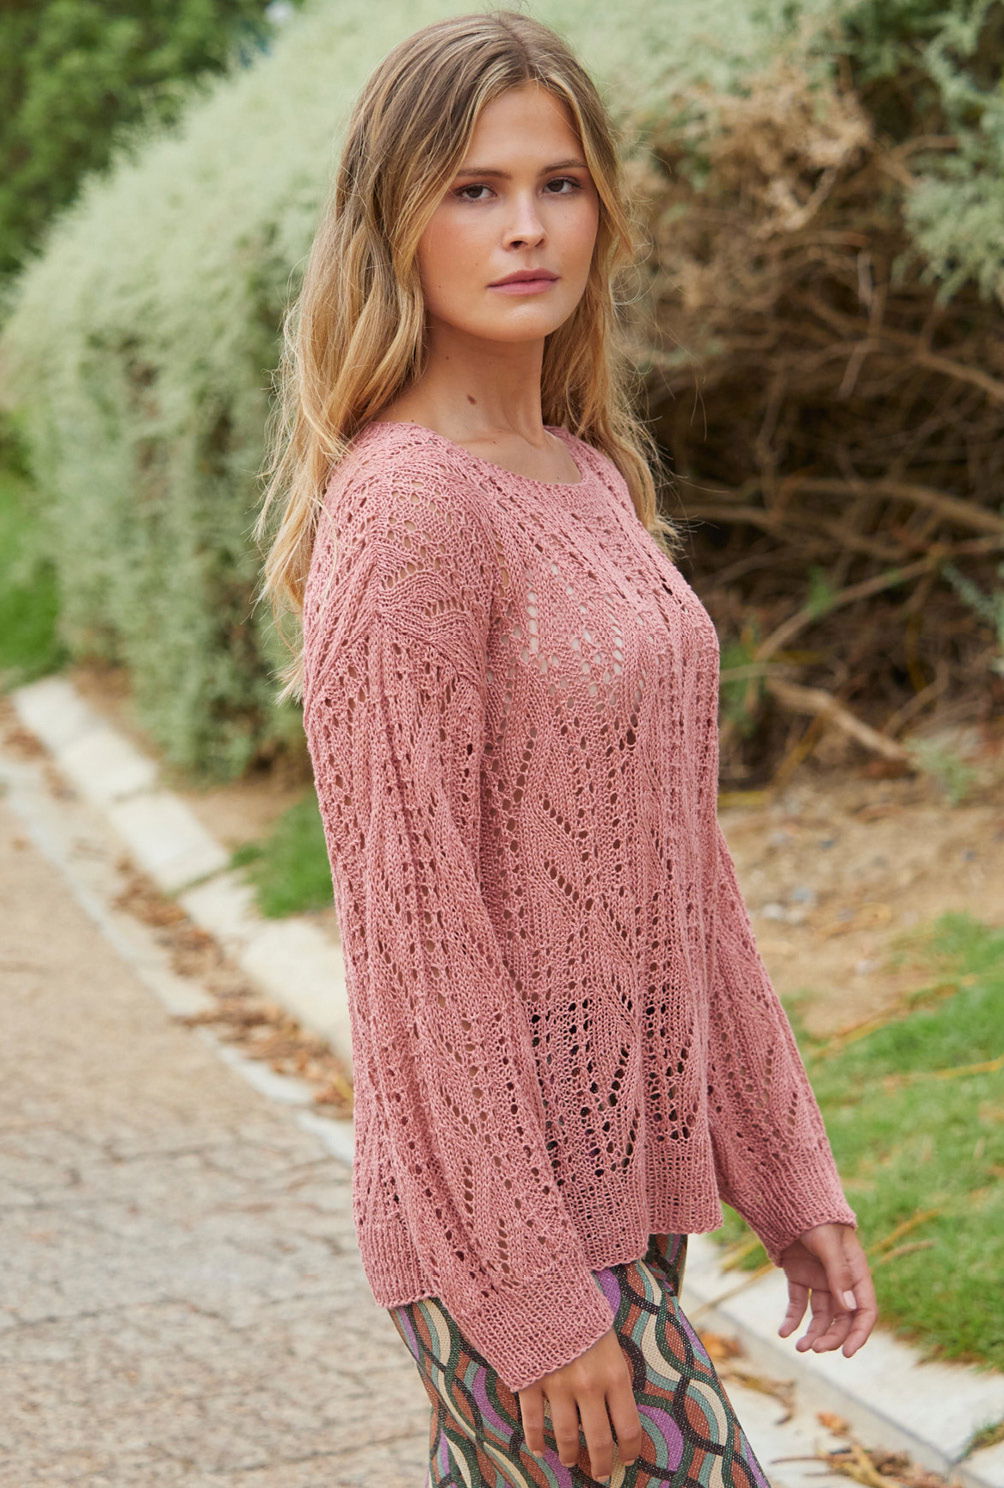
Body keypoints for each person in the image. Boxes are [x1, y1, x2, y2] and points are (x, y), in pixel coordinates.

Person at [253, 9, 878, 1484]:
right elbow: (416, 936)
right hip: (505, 1232)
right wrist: (533, 1297)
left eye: (560, 183)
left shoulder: (587, 478)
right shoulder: (410, 509)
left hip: (616, 1193)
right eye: (474, 189)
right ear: (393, 222)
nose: (527, 226)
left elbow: (681, 869)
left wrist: (786, 1171)